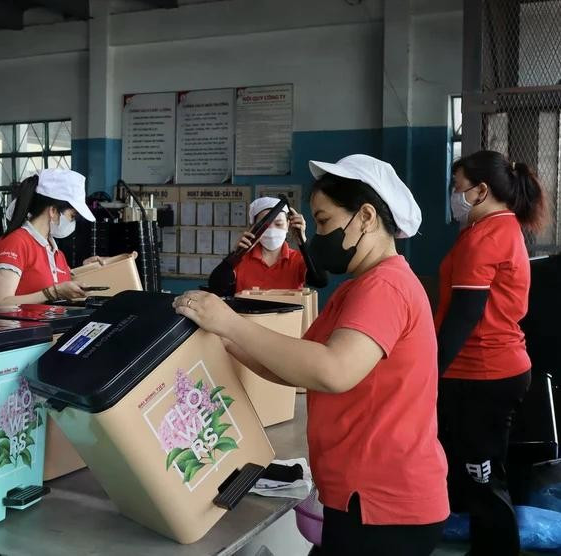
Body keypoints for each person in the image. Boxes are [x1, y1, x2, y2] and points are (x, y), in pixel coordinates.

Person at [173, 155, 448, 556]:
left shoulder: (385, 287)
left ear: (366, 217)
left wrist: (230, 322)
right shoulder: (361, 287)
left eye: (323, 221)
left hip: (383, 504)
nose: (317, 235)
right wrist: (225, 340)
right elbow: (299, 367)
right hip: (361, 497)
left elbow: (332, 370)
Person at [436, 150, 546, 556]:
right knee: (476, 474)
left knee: (482, 478)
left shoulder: (485, 237)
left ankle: (498, 550)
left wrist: (428, 373)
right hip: (489, 370)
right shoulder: (494, 228)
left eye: (457, 186)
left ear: (481, 190)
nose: (454, 194)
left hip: (482, 373)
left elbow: (464, 318)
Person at [0, 168, 99, 307]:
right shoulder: (16, 243)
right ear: (53, 211)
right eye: (72, 216)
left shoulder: (56, 253)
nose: (73, 223)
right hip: (25, 328)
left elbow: (56, 285)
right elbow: (0, 303)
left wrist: (89, 269)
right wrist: (53, 292)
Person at [232, 197, 327, 291]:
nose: (272, 230)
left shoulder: (298, 260)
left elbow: (320, 281)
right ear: (254, 228)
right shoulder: (241, 260)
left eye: (278, 224)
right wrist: (236, 253)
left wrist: (302, 240)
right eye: (265, 226)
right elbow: (217, 287)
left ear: (288, 225)